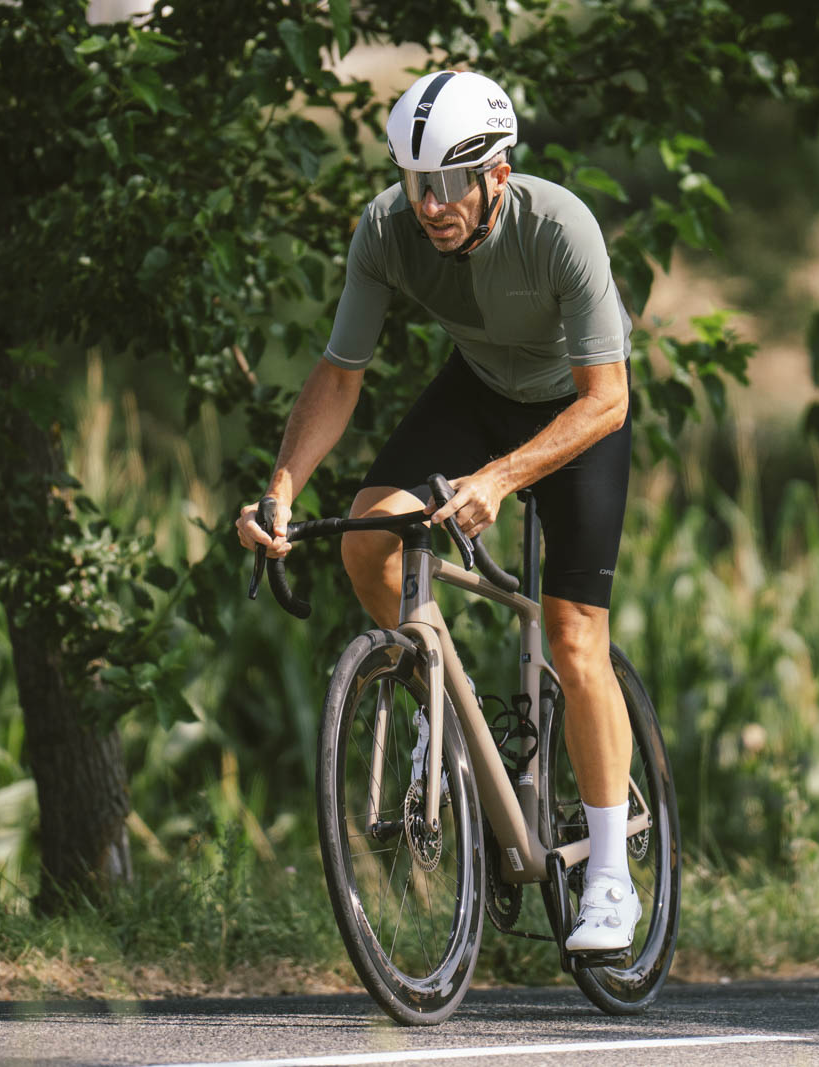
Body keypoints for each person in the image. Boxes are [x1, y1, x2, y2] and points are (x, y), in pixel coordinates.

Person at [235, 70, 639, 953]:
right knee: (368, 540)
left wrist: (499, 478)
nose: (430, 204)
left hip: (577, 408)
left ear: (498, 174)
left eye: (451, 182)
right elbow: (340, 373)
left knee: (575, 637)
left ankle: (611, 876)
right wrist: (282, 487)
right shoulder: (385, 230)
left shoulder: (559, 226)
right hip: (481, 391)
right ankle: (442, 715)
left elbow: (607, 399)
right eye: (416, 181)